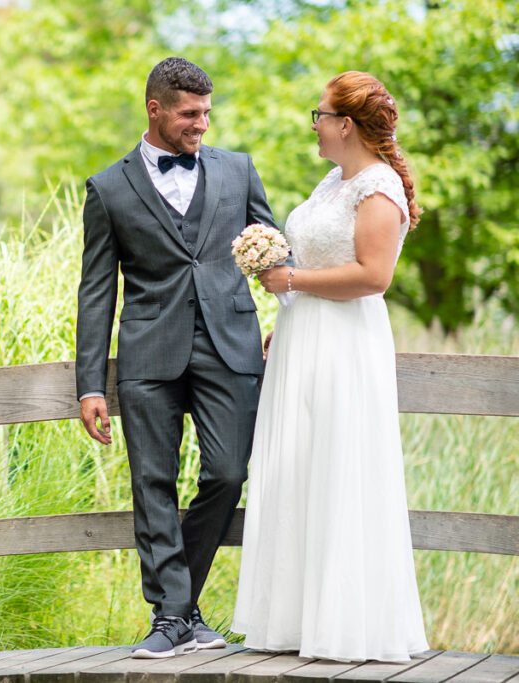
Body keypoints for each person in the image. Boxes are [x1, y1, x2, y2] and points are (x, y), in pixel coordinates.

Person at [75, 57, 276, 658]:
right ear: (155, 109)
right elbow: (96, 291)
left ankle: (178, 610)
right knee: (153, 482)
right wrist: (89, 384)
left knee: (227, 474)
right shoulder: (108, 188)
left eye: (208, 113)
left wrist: (294, 323)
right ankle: (172, 617)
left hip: (230, 345)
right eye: (190, 114)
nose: (202, 125)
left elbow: (274, 257)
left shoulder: (238, 170)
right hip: (148, 353)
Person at [232, 71, 429, 662]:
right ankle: (295, 621)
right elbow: (325, 259)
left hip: (345, 345)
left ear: (346, 124)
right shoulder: (333, 182)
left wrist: (289, 279)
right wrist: (288, 314)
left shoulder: (377, 188)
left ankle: (346, 625)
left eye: (319, 115)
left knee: (340, 467)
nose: (314, 125)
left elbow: (374, 277)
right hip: (304, 337)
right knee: (300, 465)